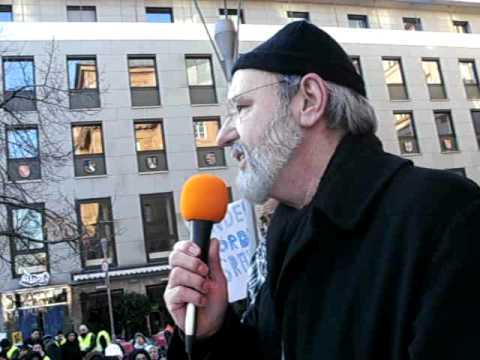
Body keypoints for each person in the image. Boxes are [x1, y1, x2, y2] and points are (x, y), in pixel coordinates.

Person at [164, 20, 480, 360]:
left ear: (310, 100)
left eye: (242, 108)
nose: (222, 136)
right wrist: (214, 333)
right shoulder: (281, 240)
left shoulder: (446, 216)